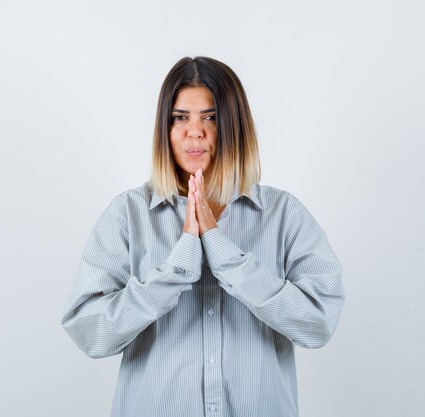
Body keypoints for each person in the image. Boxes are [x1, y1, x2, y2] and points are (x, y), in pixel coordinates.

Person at [60, 56, 345, 417]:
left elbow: (319, 323)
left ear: (235, 127)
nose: (194, 132)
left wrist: (222, 251)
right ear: (165, 128)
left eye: (210, 117)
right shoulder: (127, 215)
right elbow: (89, 332)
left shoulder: (284, 214)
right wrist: (177, 268)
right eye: (180, 118)